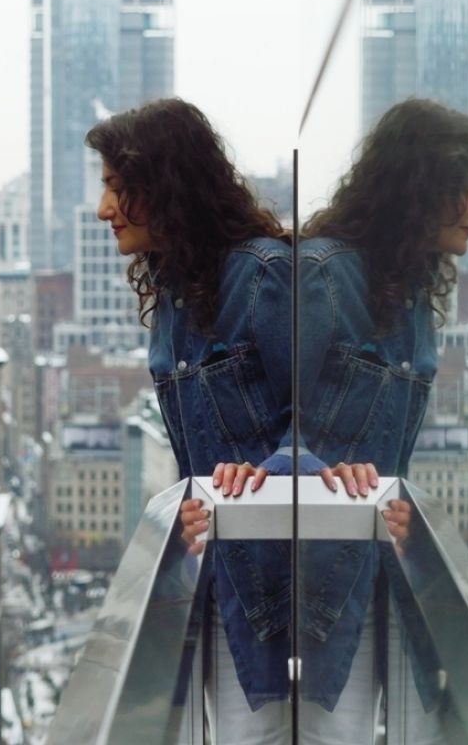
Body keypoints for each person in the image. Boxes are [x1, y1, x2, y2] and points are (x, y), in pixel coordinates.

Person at [280, 97, 468, 741]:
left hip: (389, 564)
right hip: (324, 577)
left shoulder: (413, 293)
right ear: (421, 187)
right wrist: (317, 467)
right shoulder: (324, 276)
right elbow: (273, 413)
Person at [85, 98, 298, 739]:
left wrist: (270, 468)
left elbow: (320, 411)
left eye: (117, 188)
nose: (103, 209)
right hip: (210, 577)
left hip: (276, 588)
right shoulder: (174, 296)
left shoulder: (264, 277)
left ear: (166, 187)